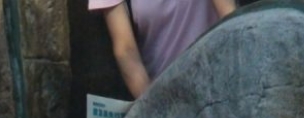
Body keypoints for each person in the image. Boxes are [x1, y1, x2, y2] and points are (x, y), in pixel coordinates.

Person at [90, 0, 236, 98]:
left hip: (220, 82)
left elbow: (230, 18)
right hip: (162, 90)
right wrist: (153, 108)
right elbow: (125, 50)